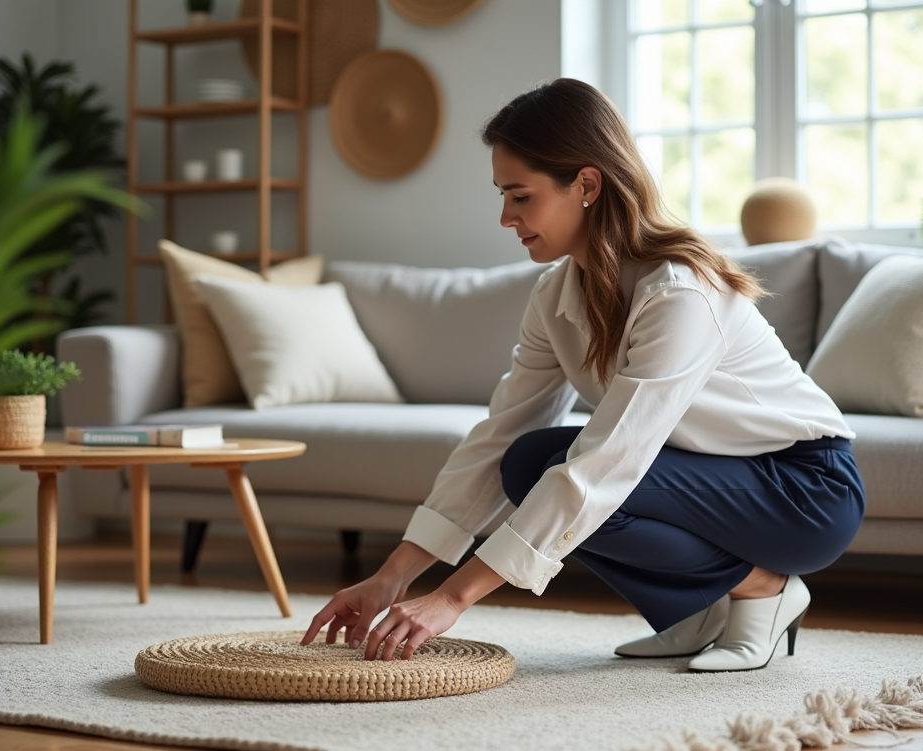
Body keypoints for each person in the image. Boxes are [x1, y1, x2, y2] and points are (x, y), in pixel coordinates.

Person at [300, 78, 865, 673]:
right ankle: (698, 613)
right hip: (707, 478)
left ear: (587, 185)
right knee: (524, 459)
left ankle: (763, 591)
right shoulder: (555, 295)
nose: (504, 217)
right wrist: (393, 577)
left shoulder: (681, 293)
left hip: (804, 490)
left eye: (520, 196)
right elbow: (499, 435)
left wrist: (450, 598)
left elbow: (608, 462)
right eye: (502, 196)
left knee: (570, 472)